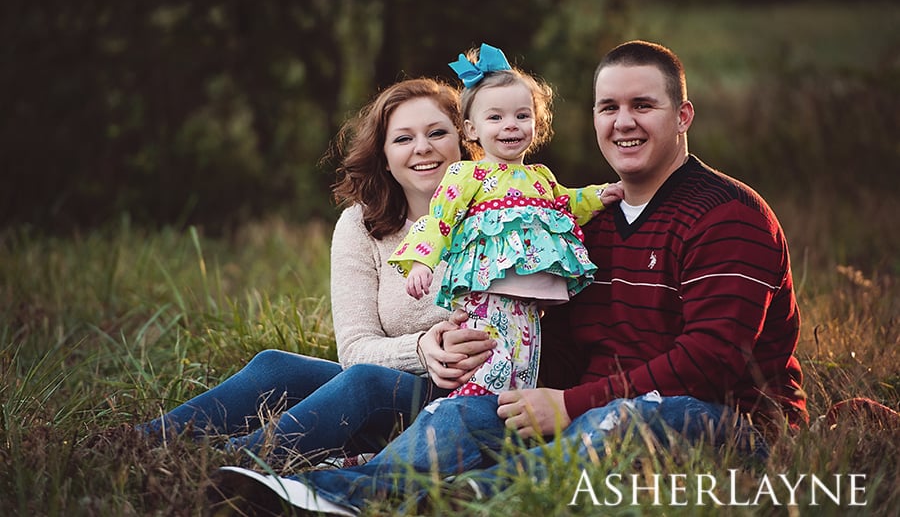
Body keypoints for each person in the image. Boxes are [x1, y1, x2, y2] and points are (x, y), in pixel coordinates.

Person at [211, 40, 809, 514]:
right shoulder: (580, 225)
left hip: (716, 421)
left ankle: (469, 501)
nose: (623, 122)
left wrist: (570, 404)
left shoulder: (727, 215)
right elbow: (561, 339)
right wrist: (491, 374)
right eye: (609, 107)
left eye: (642, 105)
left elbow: (715, 359)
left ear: (683, 115)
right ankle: (337, 492)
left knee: (612, 421)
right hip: (577, 410)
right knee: (466, 410)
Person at [137, 77, 495, 464]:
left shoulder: (500, 215)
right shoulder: (361, 225)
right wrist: (421, 348)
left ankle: (230, 465)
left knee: (364, 383)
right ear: (385, 158)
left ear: (464, 140)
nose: (422, 148)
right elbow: (355, 349)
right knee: (276, 366)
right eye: (403, 139)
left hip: (465, 401)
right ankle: (138, 443)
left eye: (437, 132)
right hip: (394, 388)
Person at [390, 43, 622, 398]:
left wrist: (599, 195)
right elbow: (439, 221)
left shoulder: (542, 178)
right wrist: (421, 261)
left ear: (537, 122)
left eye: (522, 116)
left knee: (520, 374)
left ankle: (497, 435)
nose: (510, 126)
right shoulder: (468, 176)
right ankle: (449, 422)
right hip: (487, 298)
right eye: (495, 118)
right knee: (484, 372)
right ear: (471, 129)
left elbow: (568, 203)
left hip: (529, 306)